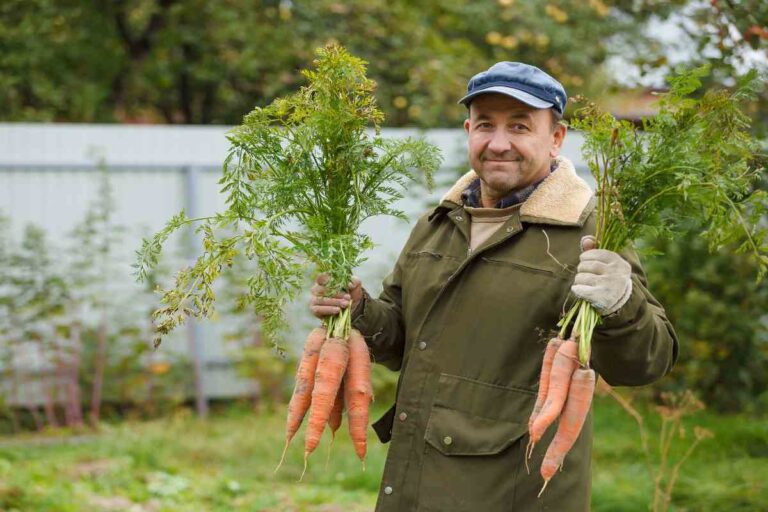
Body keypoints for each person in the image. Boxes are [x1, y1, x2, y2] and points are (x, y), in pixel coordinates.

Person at [309, 62, 678, 512]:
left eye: (520, 126)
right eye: (486, 125)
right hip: (415, 484)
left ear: (556, 138)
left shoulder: (589, 233)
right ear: (469, 130)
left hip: (512, 495)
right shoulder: (439, 223)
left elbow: (646, 363)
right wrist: (360, 308)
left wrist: (623, 304)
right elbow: (403, 338)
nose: (499, 143)